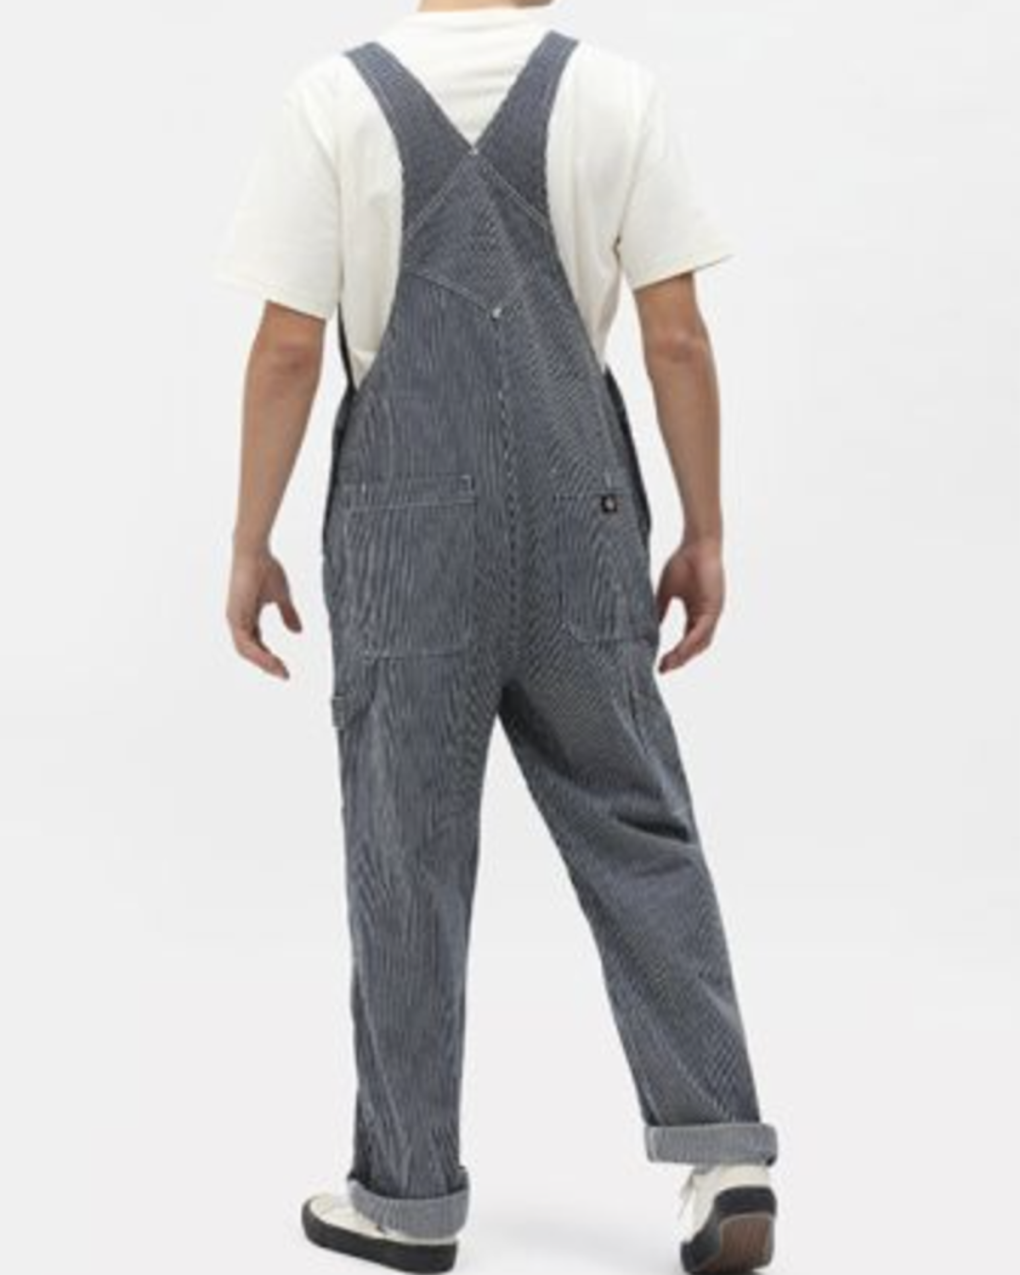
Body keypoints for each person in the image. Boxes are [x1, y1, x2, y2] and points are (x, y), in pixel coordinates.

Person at [215, 3, 779, 1272]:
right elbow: (677, 336)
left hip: (406, 536)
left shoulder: (332, 103)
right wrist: (704, 528)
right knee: (636, 826)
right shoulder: (617, 94)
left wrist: (249, 540)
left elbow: (287, 351)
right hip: (582, 521)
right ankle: (725, 1156)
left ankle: (407, 1198)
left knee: (406, 855)